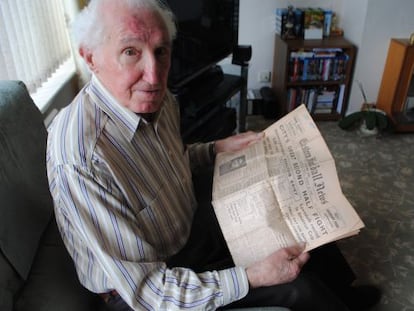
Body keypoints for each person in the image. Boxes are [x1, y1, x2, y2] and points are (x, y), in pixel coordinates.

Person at [46, 0, 380, 310]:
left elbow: (166, 163)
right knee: (298, 290)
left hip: (185, 227)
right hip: (145, 287)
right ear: (90, 58)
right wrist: (253, 277)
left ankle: (344, 296)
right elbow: (146, 290)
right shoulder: (81, 157)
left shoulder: (157, 100)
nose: (154, 74)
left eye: (161, 51)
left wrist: (216, 149)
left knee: (287, 202)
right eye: (130, 51)